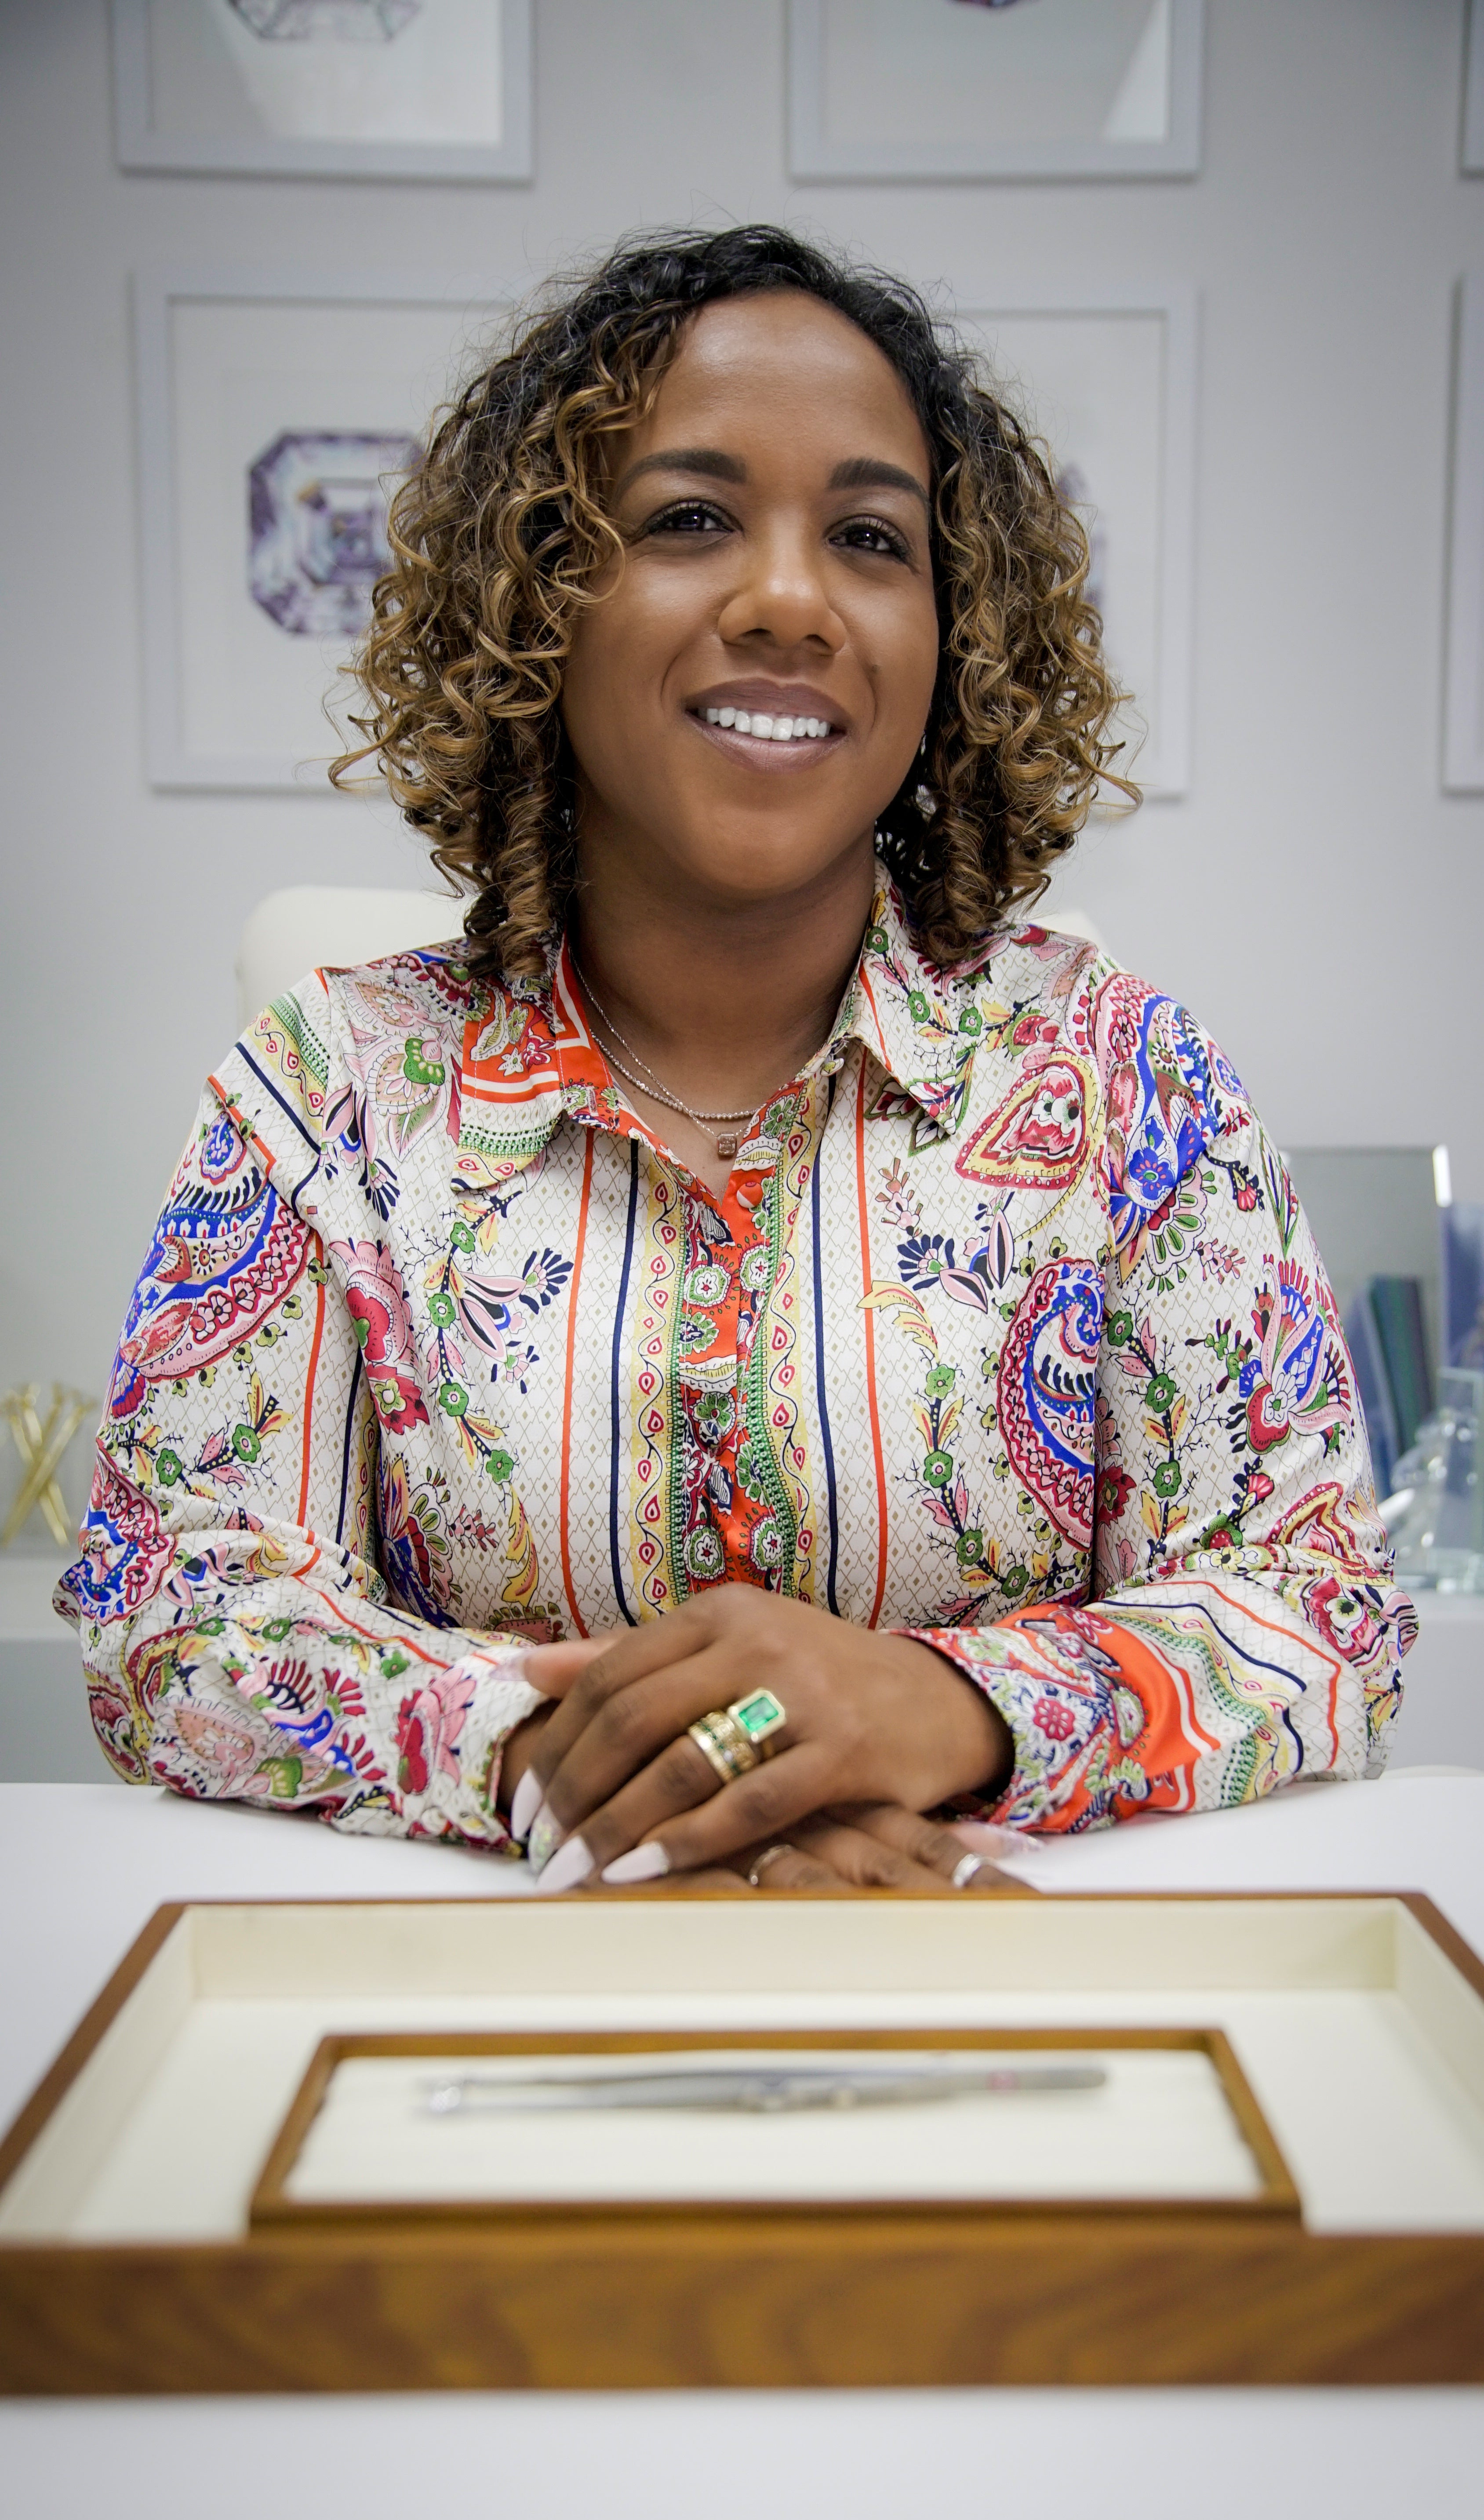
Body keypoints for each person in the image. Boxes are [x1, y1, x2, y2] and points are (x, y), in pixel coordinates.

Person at [59, 226, 1412, 1900]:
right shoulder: (327, 1089)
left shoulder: (1129, 1083)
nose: (788, 599)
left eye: (871, 538)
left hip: (996, 1980)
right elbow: (172, 1615)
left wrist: (943, 1710)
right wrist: (574, 1764)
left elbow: (1321, 1610)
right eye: (691, 519)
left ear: (953, 635)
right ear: (538, 600)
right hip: (498, 1980)